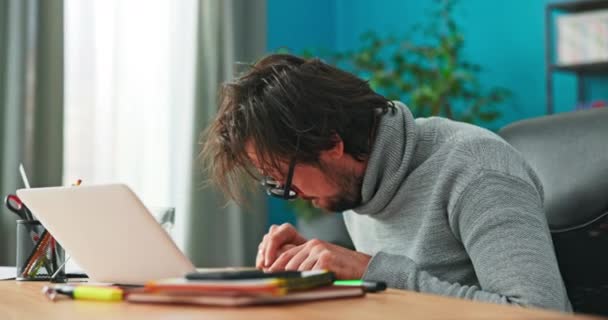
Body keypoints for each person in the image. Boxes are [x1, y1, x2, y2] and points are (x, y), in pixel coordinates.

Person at [200, 54, 572, 311]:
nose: (290, 194)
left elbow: (537, 312)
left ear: (332, 143)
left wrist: (370, 270)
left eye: (286, 176)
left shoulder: (478, 170)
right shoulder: (360, 183)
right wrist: (316, 268)